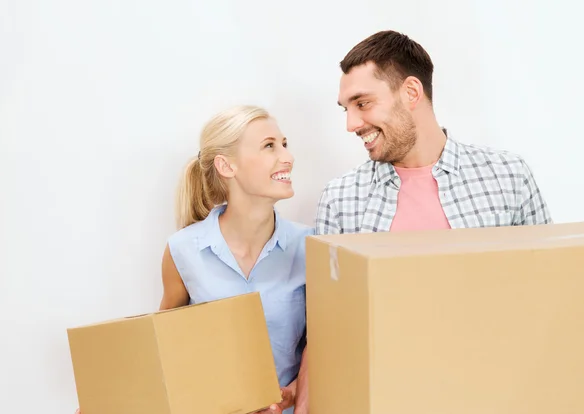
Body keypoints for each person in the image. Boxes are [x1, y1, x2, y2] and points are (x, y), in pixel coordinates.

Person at [293, 29, 552, 411]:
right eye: (345, 108)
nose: (351, 124)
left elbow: (549, 296)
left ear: (411, 93)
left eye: (362, 103)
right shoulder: (340, 199)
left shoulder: (508, 176)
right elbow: (326, 329)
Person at [74, 105, 312, 414]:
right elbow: (161, 351)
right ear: (227, 166)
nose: (287, 156)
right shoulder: (182, 250)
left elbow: (326, 345)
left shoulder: (312, 245)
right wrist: (109, 400)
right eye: (269, 146)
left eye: (284, 144)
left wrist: (292, 394)